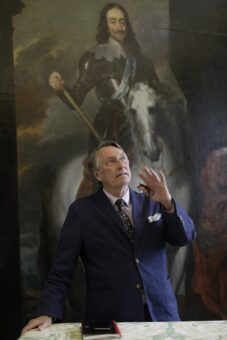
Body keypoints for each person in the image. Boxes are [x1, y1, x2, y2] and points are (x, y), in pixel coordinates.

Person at [21, 140, 196, 335]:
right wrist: (47, 311)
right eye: (110, 162)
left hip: (161, 314)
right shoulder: (81, 212)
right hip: (111, 319)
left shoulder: (154, 202)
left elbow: (185, 237)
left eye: (123, 159)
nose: (121, 164)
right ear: (97, 175)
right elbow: (62, 270)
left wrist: (168, 202)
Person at [49, 2, 164, 190]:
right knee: (103, 172)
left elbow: (158, 90)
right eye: (113, 22)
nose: (119, 27)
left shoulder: (143, 61)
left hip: (143, 122)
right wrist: (61, 89)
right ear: (105, 25)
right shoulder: (94, 59)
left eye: (122, 22)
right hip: (110, 126)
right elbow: (76, 98)